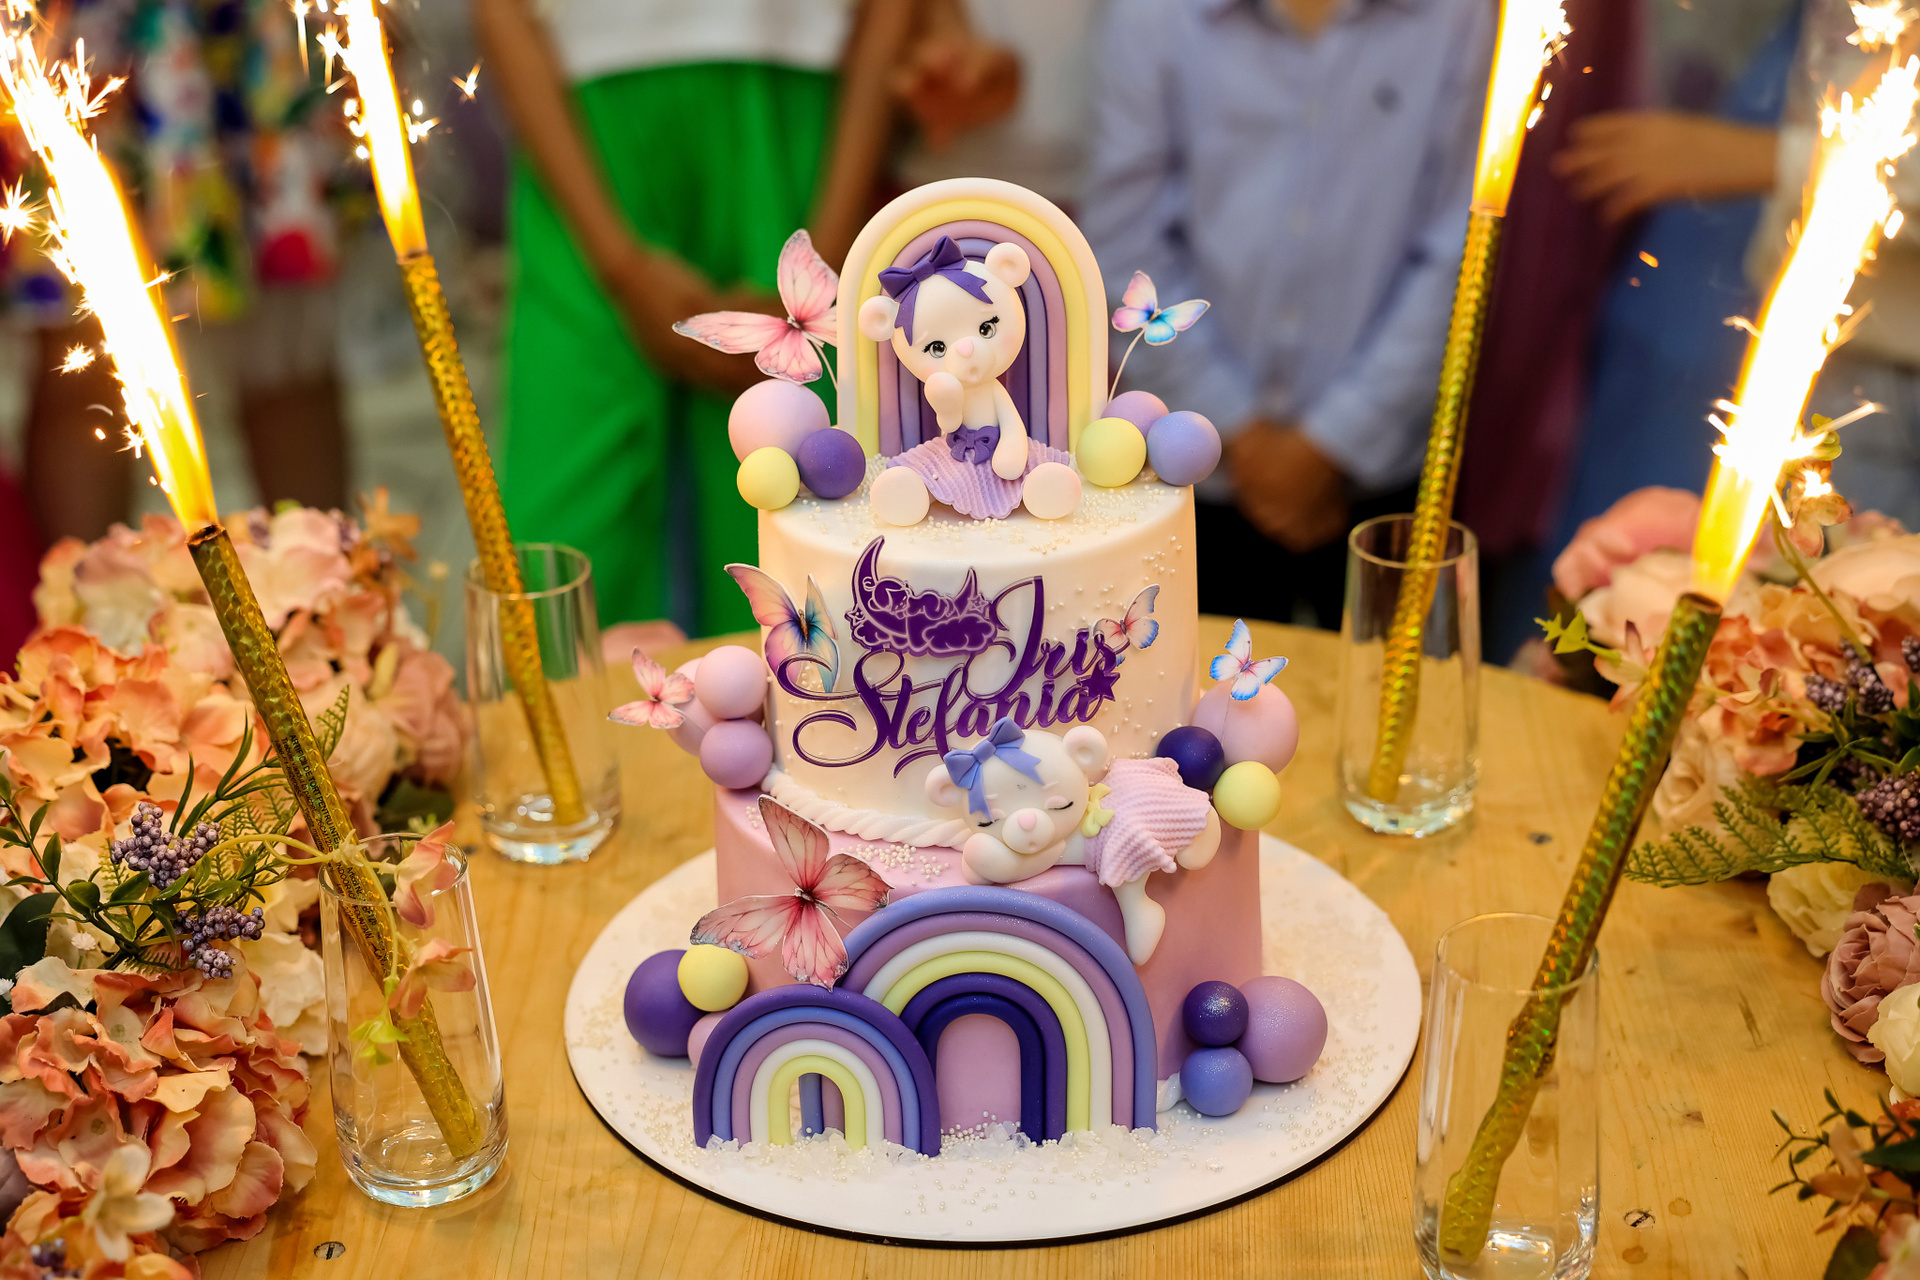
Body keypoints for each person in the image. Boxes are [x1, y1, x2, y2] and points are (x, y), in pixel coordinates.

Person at [476, 0, 910, 636]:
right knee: (558, 559)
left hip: (794, 121)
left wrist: (822, 261)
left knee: (797, 538)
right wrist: (621, 266)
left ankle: (792, 702)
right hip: (582, 129)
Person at [1081, 0, 1491, 628]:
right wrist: (1234, 428)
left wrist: (1335, 438)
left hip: (1381, 460)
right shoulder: (1153, 17)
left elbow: (1458, 246)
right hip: (1192, 462)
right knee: (1189, 676)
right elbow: (1124, 241)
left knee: (1385, 675)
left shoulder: (1457, 17)